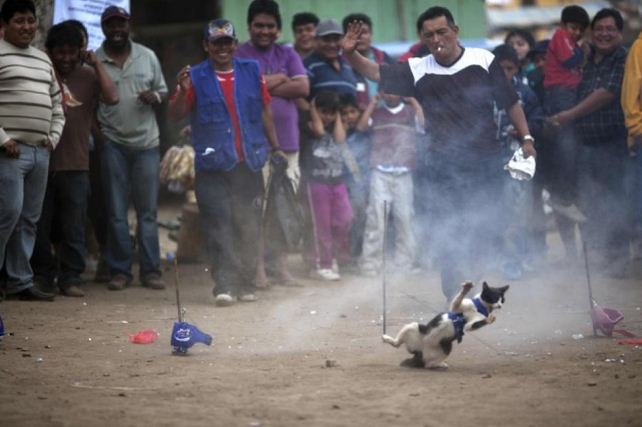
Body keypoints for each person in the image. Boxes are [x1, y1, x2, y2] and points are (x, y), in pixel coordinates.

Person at [343, 6, 534, 301]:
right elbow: (377, 72)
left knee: (488, 227)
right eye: (428, 34)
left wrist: (527, 138)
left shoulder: (483, 59)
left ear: (455, 31)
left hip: (485, 161)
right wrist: (351, 54)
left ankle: (474, 286)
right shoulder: (419, 68)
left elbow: (511, 102)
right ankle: (454, 296)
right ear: (423, 38)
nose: (436, 39)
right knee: (450, 230)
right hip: (443, 165)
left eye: (441, 31)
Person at [168, 19, 283, 306]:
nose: (222, 48)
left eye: (226, 42)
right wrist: (182, 90)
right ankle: (225, 284)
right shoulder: (193, 76)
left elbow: (265, 110)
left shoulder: (251, 70)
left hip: (248, 162)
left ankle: (245, 283)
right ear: (206, 46)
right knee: (218, 223)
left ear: (234, 44)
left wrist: (276, 147)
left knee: (248, 223)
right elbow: (175, 114)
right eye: (215, 43)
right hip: (212, 165)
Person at [29, 22, 118, 297]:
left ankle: (71, 278)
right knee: (40, 225)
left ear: (80, 51)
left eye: (72, 52)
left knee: (74, 226)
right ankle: (43, 277)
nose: (66, 58)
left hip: (78, 163)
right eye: (60, 52)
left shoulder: (89, 76)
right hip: (42, 162)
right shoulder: (41, 73)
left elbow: (112, 97)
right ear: (49, 51)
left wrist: (96, 64)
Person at [235, 0, 309, 288]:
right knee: (258, 210)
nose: (264, 30)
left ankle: (281, 269)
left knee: (284, 208)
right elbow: (243, 89)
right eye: (259, 25)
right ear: (249, 27)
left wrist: (263, 83)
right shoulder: (240, 54)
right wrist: (280, 79)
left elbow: (303, 87)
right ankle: (258, 272)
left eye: (270, 26)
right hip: (256, 145)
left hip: (289, 145)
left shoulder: (287, 53)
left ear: (278, 29)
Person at [94, 5, 168, 291]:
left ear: (128, 26)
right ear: (103, 28)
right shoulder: (94, 60)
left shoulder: (147, 56)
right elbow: (88, 103)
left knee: (147, 212)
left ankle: (151, 272)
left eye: (120, 24)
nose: (116, 30)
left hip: (147, 144)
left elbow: (162, 91)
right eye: (111, 25)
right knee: (116, 211)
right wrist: (100, 138)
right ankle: (120, 272)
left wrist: (155, 97)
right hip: (112, 143)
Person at [553, 8, 630, 277]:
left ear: (620, 33)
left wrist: (570, 115)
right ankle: (599, 258)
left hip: (613, 143)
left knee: (615, 200)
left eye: (610, 29)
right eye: (599, 29)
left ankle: (618, 260)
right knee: (590, 202)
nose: (604, 34)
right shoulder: (584, 58)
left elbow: (607, 93)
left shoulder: (623, 57)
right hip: (583, 145)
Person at [0, 0, 65, 301]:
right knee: (7, 215)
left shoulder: (42, 59)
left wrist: (52, 137)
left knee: (28, 220)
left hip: (40, 151)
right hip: (9, 152)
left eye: (30, 20)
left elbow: (57, 105)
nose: (26, 26)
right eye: (19, 21)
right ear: (5, 25)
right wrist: (3, 140)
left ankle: (19, 281)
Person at [357, 92, 424, 276]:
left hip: (403, 172)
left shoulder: (410, 112)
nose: (391, 95)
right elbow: (361, 126)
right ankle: (370, 264)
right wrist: (373, 103)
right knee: (375, 219)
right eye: (387, 90)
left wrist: (413, 99)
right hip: (380, 172)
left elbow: (423, 125)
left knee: (405, 219)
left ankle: (405, 263)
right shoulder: (377, 113)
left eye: (396, 90)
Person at [492, 44, 544, 280]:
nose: (505, 74)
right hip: (489, 162)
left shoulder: (524, 93)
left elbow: (539, 121)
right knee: (493, 211)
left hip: (518, 162)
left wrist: (525, 132)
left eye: (510, 69)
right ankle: (495, 259)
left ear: (517, 68)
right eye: (500, 69)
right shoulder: (482, 92)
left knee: (518, 213)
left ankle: (516, 260)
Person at [543, 4, 590, 261]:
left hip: (568, 96)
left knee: (570, 149)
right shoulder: (561, 38)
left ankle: (565, 195)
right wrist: (584, 52)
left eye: (580, 31)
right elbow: (572, 62)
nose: (576, 33)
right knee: (567, 147)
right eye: (573, 28)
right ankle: (562, 197)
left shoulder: (568, 40)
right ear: (564, 25)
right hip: (561, 96)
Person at [306, 91, 353, 281]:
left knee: (345, 219)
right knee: (322, 225)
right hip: (318, 183)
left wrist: (338, 116)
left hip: (337, 182)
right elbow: (318, 130)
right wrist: (312, 109)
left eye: (331, 113)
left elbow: (340, 139)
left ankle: (332, 256)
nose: (327, 116)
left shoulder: (337, 128)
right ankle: (323, 264)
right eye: (323, 112)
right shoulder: (309, 125)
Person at [340, 94, 370, 263]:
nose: (348, 116)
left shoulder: (363, 133)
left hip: (363, 182)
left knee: (361, 218)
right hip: (345, 183)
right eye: (344, 113)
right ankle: (347, 253)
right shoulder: (340, 134)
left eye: (352, 112)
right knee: (348, 219)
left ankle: (358, 253)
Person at [341, 13, 393, 106]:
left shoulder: (385, 58)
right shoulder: (340, 63)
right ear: (345, 37)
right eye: (355, 33)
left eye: (364, 32)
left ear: (371, 34)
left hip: (388, 115)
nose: (360, 37)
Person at [304, 18, 357, 99]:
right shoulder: (308, 66)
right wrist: (311, 111)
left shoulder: (348, 66)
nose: (332, 44)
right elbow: (298, 98)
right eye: (326, 39)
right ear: (315, 40)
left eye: (336, 39)